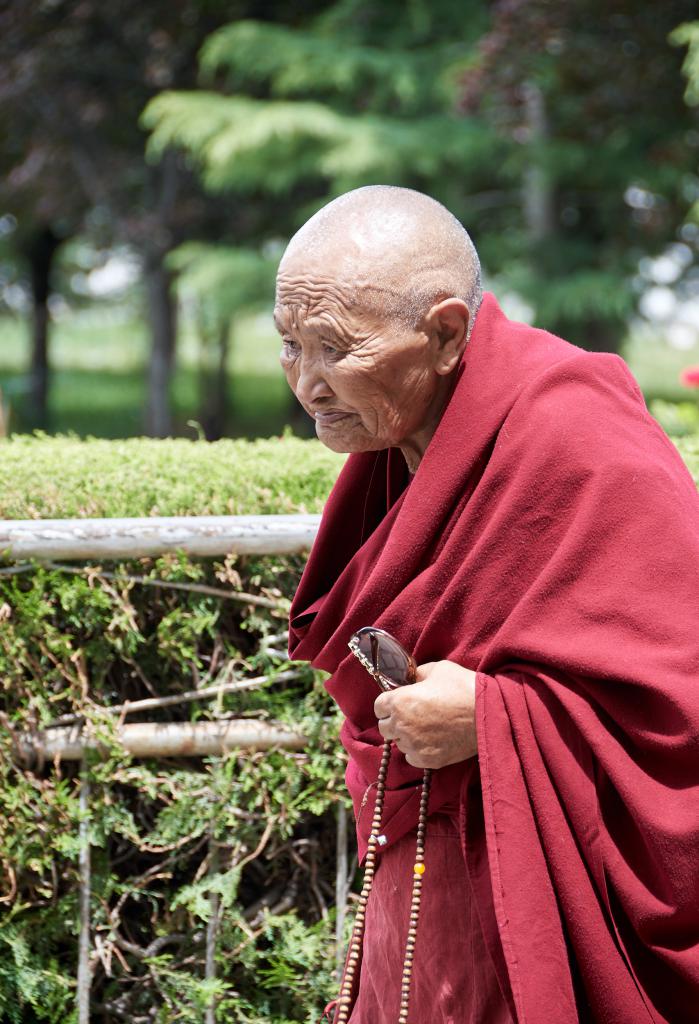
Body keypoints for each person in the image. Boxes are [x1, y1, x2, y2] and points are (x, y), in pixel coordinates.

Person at [274, 185, 699, 1023]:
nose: (307, 384)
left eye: (333, 349)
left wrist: (496, 717)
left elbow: (682, 693)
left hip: (537, 889)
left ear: (443, 335)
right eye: (289, 345)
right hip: (434, 884)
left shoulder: (579, 437)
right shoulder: (403, 438)